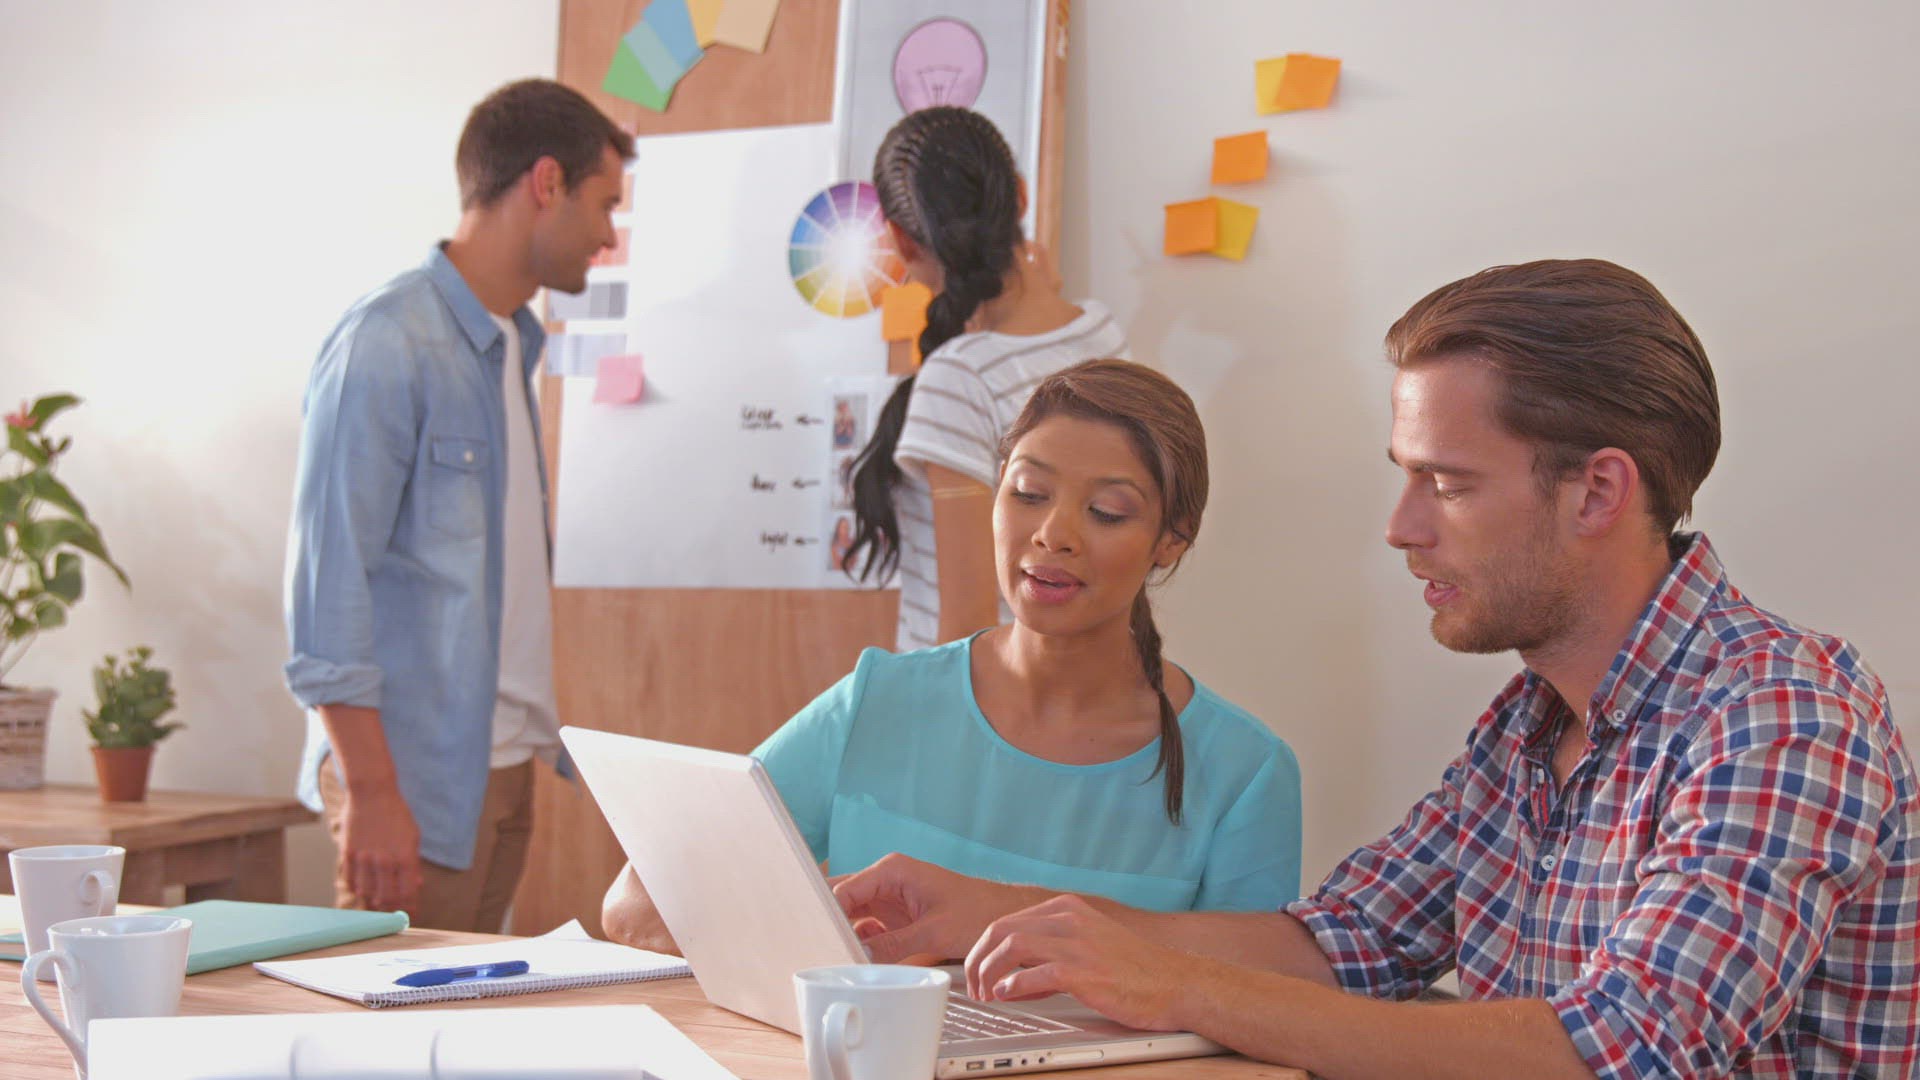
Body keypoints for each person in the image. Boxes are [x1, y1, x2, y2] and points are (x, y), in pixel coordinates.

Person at [832, 261, 1920, 1078]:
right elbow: (1339, 941)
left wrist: (1182, 987)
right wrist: (992, 911)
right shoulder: (1528, 727)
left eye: (1446, 484)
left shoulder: (1784, 713)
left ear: (1597, 492)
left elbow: (1619, 1048)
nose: (1402, 527)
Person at [603, 360, 1302, 953]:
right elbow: (637, 905)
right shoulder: (878, 701)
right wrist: (828, 921)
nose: (1052, 534)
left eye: (1107, 512)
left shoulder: (1244, 774)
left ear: (1172, 538)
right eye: (1028, 494)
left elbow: (1260, 997)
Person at [282, 79, 633, 932]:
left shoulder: (511, 342)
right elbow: (327, 588)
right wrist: (372, 791)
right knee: (387, 1019)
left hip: (504, 764)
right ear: (546, 182)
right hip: (409, 778)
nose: (608, 234)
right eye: (603, 203)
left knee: (468, 1011)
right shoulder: (387, 340)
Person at [843, 106, 1128, 650]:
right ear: (1020, 195)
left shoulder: (959, 378)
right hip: (1077, 680)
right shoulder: (1103, 336)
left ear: (901, 241)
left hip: (979, 696)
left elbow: (968, 635)